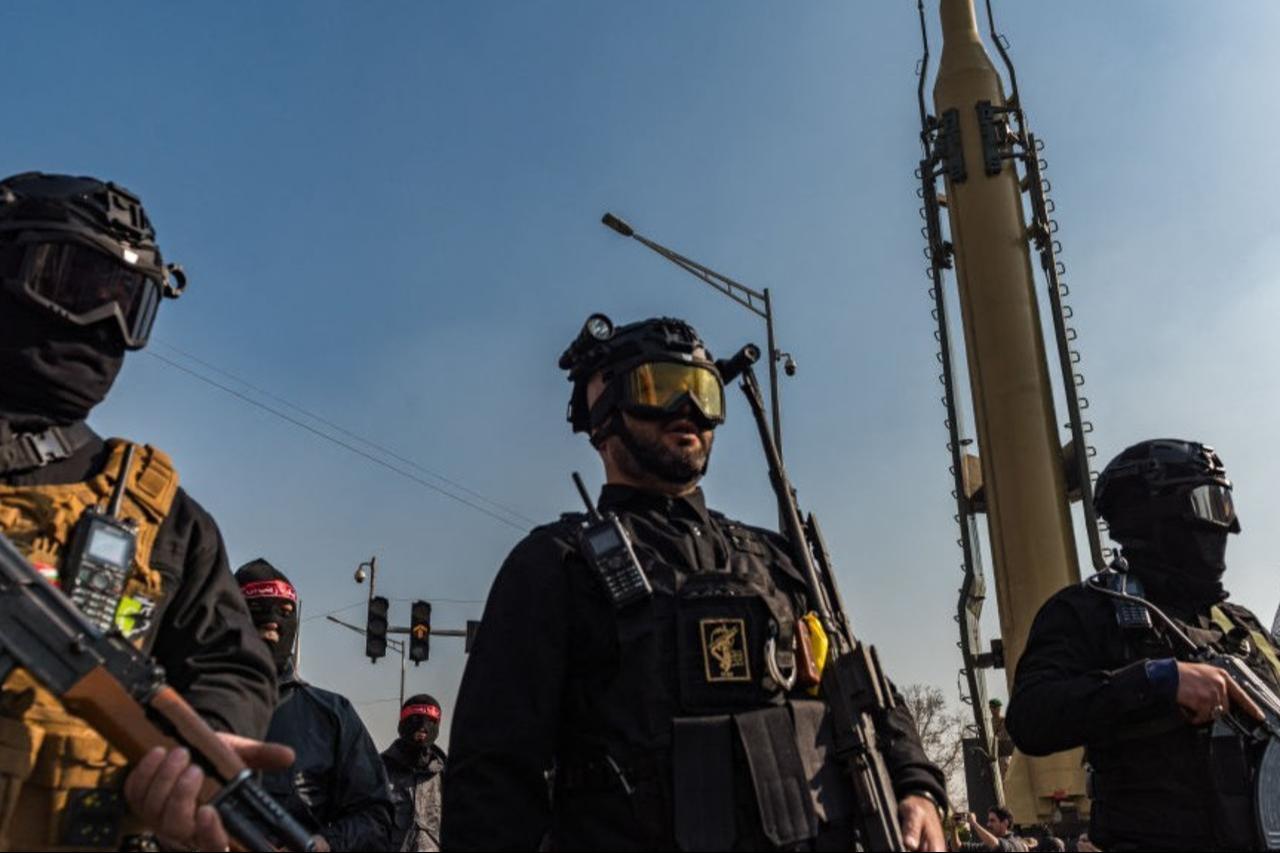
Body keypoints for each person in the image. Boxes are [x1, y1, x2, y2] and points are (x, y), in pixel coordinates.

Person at [443, 314, 948, 851]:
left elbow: (865, 691)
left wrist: (917, 787)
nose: (687, 410)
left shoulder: (777, 559)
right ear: (604, 415)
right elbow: (490, 777)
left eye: (703, 393)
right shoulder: (556, 564)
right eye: (659, 388)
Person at [0, 171, 281, 850]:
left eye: (128, 303)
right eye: (71, 284)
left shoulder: (165, 522)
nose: (104, 325)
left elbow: (232, 666)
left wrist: (201, 751)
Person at [1006, 439, 1280, 851]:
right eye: (1210, 504)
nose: (1224, 526)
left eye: (1226, 505)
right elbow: (1031, 716)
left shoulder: (1241, 624)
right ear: (1155, 514)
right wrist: (1156, 681)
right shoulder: (1091, 611)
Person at [236, 558, 395, 851]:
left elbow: (375, 817)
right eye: (257, 609)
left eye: (285, 612)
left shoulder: (333, 715)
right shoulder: (187, 705)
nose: (272, 622)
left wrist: (323, 844)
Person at [382, 694, 447, 852]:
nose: (422, 727)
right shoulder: (379, 770)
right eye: (415, 719)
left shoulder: (444, 774)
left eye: (430, 721)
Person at [956, 807, 1028, 852]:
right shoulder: (988, 846)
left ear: (1005, 823)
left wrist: (974, 823)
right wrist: (953, 828)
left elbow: (997, 845)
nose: (988, 824)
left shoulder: (1015, 845)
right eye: (989, 821)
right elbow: (958, 848)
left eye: (992, 821)